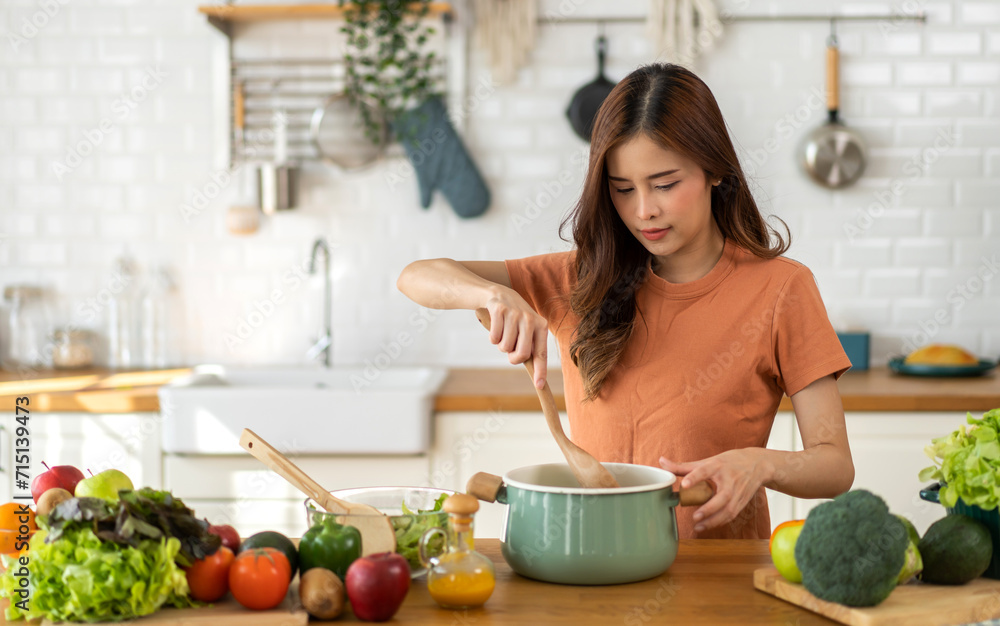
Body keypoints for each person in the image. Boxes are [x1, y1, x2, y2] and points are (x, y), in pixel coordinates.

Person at [397, 63, 854, 539]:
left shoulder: (782, 289)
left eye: (665, 184)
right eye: (622, 190)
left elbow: (834, 466)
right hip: (590, 566)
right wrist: (492, 294)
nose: (643, 211)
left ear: (715, 170)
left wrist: (759, 465)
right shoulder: (580, 277)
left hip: (720, 579)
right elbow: (416, 277)